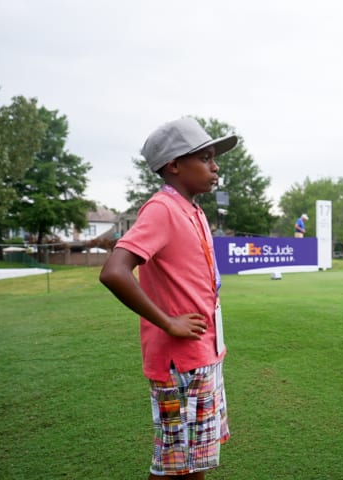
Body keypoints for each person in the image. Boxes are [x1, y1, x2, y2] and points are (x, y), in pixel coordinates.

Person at [100, 117, 238, 480]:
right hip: (181, 360)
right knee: (176, 465)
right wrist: (168, 321)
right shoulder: (162, 209)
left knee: (194, 460)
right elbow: (114, 271)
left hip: (203, 352)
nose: (215, 166)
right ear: (174, 165)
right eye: (205, 158)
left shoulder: (191, 208)